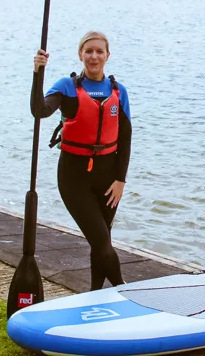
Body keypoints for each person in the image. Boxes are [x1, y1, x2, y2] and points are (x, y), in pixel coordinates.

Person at [30, 31, 131, 291]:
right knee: (101, 240)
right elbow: (38, 111)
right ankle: (123, 289)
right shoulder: (67, 87)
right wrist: (37, 73)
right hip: (74, 177)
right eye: (89, 51)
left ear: (108, 56)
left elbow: (126, 138)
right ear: (80, 55)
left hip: (109, 178)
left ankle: (95, 293)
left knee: (101, 240)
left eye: (99, 51)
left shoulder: (119, 92)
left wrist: (121, 180)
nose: (94, 56)